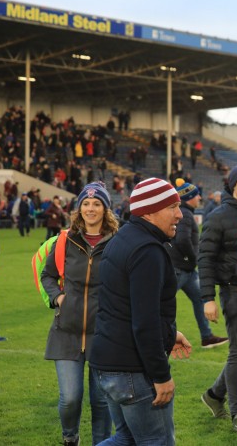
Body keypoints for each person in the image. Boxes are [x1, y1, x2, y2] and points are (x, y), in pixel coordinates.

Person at [89, 178, 193, 446]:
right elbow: (143, 322)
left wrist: (170, 334)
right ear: (149, 211)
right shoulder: (147, 250)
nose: (180, 215)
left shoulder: (123, 238)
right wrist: (161, 376)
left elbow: (123, 305)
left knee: (127, 439)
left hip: (108, 363)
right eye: (172, 207)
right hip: (132, 369)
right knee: (156, 442)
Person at [41, 182, 117, 446]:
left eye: (97, 204)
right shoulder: (66, 239)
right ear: (79, 208)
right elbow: (47, 275)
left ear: (106, 209)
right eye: (86, 203)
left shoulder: (117, 242)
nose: (91, 208)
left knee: (101, 400)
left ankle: (101, 443)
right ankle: (70, 437)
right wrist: (59, 298)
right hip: (67, 331)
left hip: (103, 333)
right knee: (70, 397)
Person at [199, 165, 237, 433]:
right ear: (233, 183)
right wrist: (207, 298)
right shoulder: (218, 216)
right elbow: (205, 259)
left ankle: (214, 394)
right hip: (233, 291)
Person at [168, 179, 228, 349]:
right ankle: (165, 336)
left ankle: (207, 336)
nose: (200, 198)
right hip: (180, 269)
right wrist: (194, 258)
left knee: (200, 299)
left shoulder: (185, 213)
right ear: (189, 197)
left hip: (186, 270)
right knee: (163, 303)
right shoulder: (186, 214)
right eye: (196, 195)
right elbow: (182, 240)